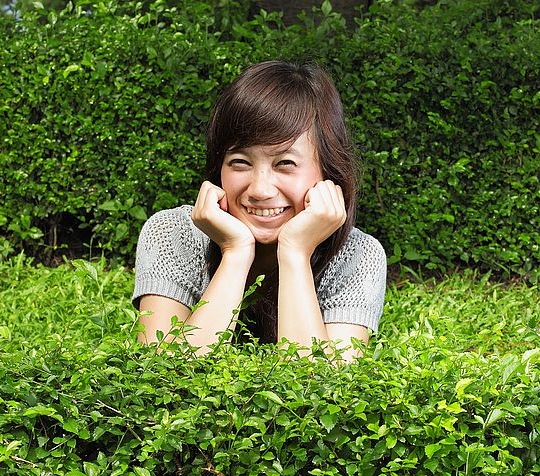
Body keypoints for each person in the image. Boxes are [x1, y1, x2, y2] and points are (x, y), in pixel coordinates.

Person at [131, 60, 387, 362]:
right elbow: (160, 375)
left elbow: (318, 390)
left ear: (327, 172)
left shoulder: (358, 255)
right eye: (240, 161)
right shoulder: (171, 233)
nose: (260, 190)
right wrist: (235, 253)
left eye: (285, 164)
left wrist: (295, 253)